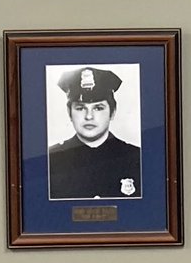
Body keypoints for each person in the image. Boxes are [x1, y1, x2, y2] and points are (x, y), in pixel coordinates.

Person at [48, 67, 141, 200]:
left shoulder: (137, 157)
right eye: (80, 108)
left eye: (98, 108)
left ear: (112, 112)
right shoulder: (50, 159)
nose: (89, 116)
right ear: (69, 113)